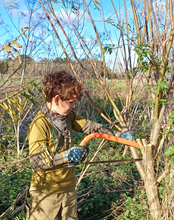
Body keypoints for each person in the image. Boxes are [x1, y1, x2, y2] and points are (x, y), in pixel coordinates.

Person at [26, 70, 133, 220]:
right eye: (70, 102)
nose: (73, 106)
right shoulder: (40, 124)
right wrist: (66, 156)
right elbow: (35, 161)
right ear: (57, 100)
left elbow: (89, 126)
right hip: (46, 194)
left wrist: (116, 135)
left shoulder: (67, 117)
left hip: (68, 189)